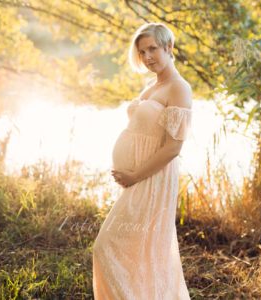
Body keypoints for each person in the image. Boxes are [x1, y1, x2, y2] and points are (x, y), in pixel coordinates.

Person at [93, 22, 193, 299]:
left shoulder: (179, 88)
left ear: (168, 47)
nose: (147, 57)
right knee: (135, 249)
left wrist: (135, 175)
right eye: (142, 52)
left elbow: (173, 147)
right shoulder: (152, 85)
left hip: (151, 178)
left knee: (109, 246)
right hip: (136, 178)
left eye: (152, 49)